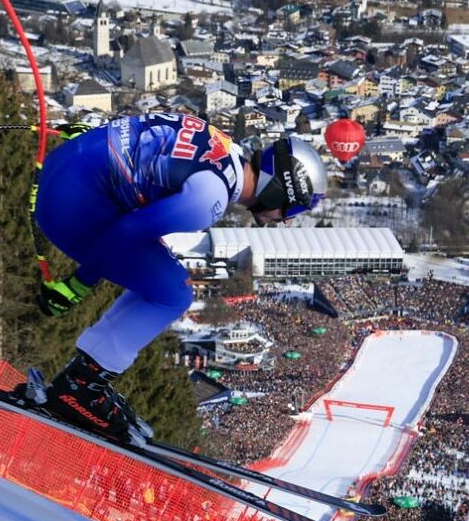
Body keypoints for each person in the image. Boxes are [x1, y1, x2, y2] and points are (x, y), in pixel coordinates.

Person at [24, 113, 328, 443]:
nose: (284, 221)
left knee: (164, 276)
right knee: (173, 293)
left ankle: (84, 379)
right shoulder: (209, 198)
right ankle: (81, 386)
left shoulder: (222, 144)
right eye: (292, 210)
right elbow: (127, 231)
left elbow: (145, 133)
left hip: (67, 165)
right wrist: (79, 284)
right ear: (278, 190)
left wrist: (92, 145)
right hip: (68, 206)